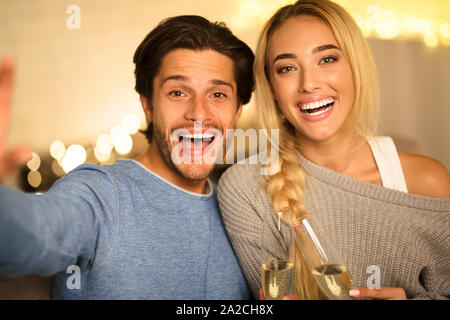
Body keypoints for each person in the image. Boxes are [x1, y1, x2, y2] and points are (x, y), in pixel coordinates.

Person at [0, 15, 254, 299]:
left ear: (237, 113)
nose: (199, 113)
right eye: (178, 92)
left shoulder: (239, 211)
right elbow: (36, 232)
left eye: (218, 94)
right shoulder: (99, 195)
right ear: (148, 105)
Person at [217, 0, 450, 300]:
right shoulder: (246, 189)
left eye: (327, 59)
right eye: (287, 68)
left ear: (355, 66)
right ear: (272, 88)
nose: (309, 83)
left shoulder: (428, 180)